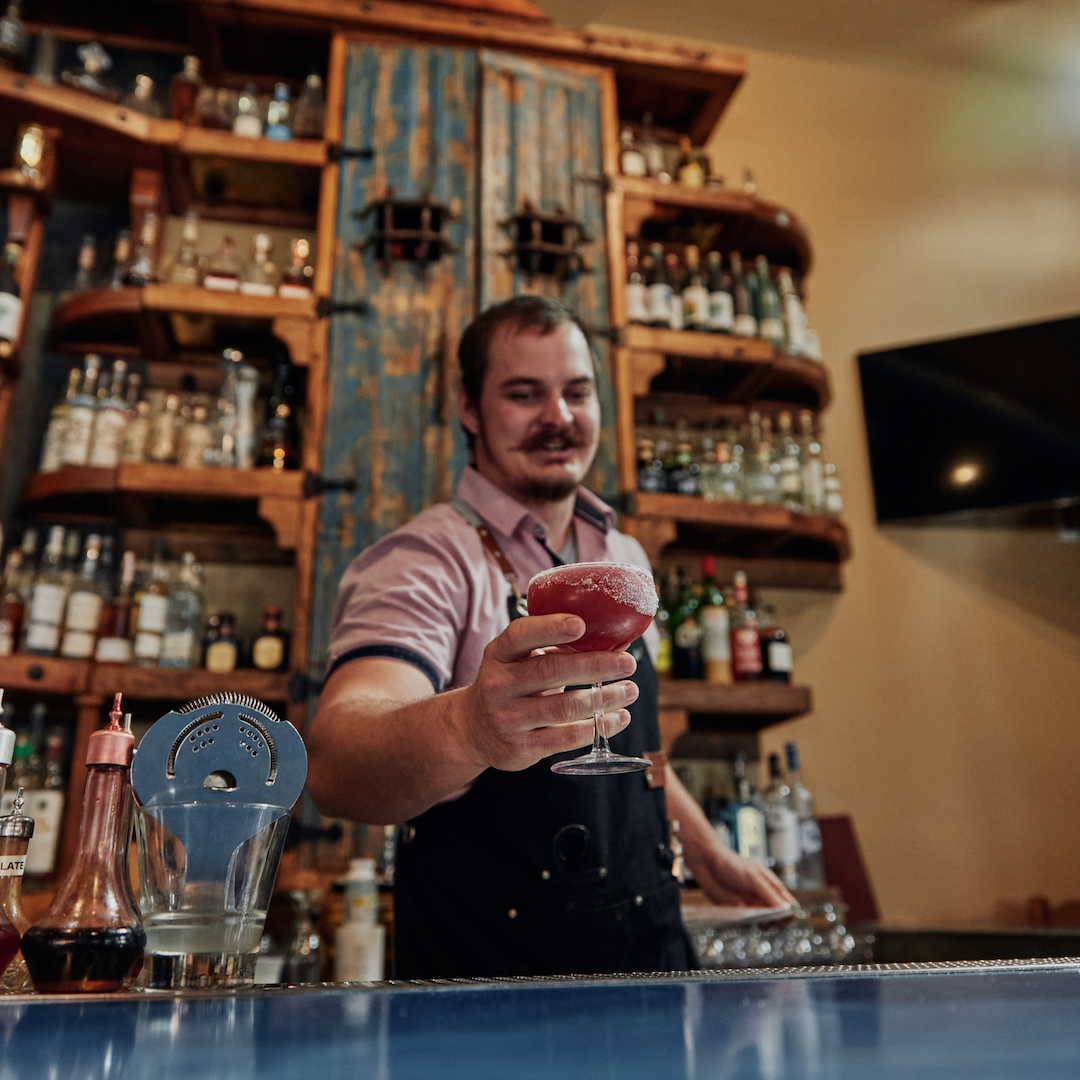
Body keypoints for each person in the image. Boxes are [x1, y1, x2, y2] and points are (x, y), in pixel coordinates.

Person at [306, 296, 793, 979]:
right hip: (491, 994)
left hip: (653, 964)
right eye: (524, 394)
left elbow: (633, 747)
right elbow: (334, 764)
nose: (558, 418)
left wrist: (708, 852)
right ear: (471, 410)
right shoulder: (424, 561)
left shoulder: (623, 555)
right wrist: (471, 726)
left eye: (577, 392)